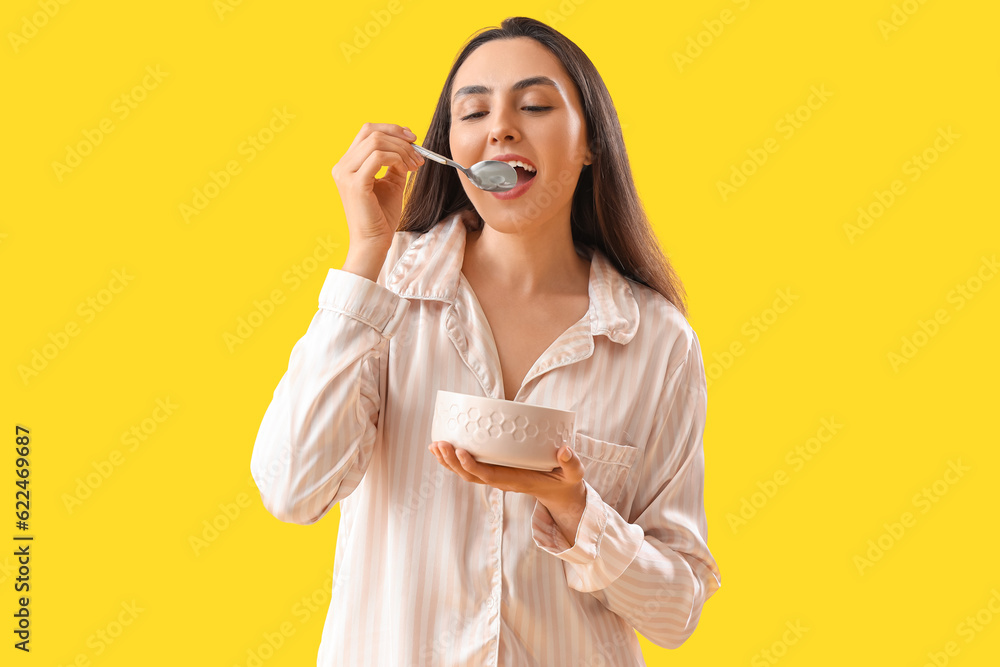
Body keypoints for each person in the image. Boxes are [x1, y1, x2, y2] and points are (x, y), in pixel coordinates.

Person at [250, 16, 721, 666]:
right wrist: (365, 255)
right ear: (452, 146)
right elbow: (291, 486)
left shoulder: (656, 340)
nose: (500, 125)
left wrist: (577, 509)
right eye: (473, 112)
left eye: (533, 105)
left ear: (590, 144)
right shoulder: (383, 293)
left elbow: (677, 611)